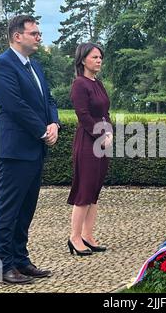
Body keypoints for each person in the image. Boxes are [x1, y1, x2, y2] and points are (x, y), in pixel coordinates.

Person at [0, 15, 60, 284]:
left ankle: (20, 261)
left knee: (25, 210)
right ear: (17, 36)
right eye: (34, 33)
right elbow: (14, 105)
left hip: (34, 150)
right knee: (8, 211)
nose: (39, 37)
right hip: (14, 150)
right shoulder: (2, 65)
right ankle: (1, 269)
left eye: (39, 33)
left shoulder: (35, 66)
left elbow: (48, 99)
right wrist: (42, 131)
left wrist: (54, 122)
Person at [67, 42, 113, 256]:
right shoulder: (79, 84)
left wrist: (109, 132)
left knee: (94, 191)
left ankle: (88, 235)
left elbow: (106, 113)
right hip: (87, 143)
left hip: (102, 143)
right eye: (95, 57)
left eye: (100, 57)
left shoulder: (99, 84)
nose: (99, 60)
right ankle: (74, 237)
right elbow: (83, 116)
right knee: (84, 191)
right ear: (83, 59)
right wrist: (100, 135)